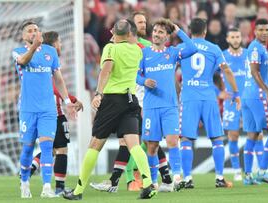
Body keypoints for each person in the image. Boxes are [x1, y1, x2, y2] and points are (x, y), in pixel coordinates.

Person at [63, 19, 156, 200]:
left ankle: (78, 191)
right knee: (134, 145)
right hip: (131, 101)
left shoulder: (110, 48)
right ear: (130, 34)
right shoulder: (137, 50)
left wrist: (98, 94)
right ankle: (148, 184)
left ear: (112, 32)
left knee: (95, 145)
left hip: (112, 101)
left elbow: (106, 70)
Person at [90, 13, 173, 193]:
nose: (143, 25)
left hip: (143, 102)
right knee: (131, 142)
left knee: (148, 141)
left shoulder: (149, 47)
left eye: (144, 21)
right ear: (130, 29)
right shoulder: (132, 47)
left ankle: (160, 179)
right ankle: (120, 181)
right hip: (131, 99)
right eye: (139, 22)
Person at [13, 21, 77, 198]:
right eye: (29, 31)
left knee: (47, 147)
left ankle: (47, 187)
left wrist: (66, 101)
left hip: (48, 110)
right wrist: (34, 47)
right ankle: (25, 183)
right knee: (27, 149)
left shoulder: (50, 52)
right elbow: (24, 61)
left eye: (36, 30)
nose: (33, 33)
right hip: (27, 109)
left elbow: (58, 78)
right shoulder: (18, 52)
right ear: (23, 36)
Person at [178, 18, 240, 189]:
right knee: (217, 138)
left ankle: (187, 178)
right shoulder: (214, 49)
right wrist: (236, 93)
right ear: (205, 32)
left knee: (185, 139)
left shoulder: (182, 48)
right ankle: (219, 177)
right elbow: (226, 70)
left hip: (189, 97)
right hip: (208, 98)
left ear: (190, 31)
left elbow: (171, 68)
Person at [136, 18, 197, 191]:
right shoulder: (144, 53)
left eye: (161, 32)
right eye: (155, 31)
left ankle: (176, 178)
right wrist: (144, 81)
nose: (156, 34)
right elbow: (135, 76)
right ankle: (154, 182)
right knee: (152, 145)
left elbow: (193, 48)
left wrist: (179, 31)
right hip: (150, 107)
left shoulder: (172, 52)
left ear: (167, 37)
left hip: (170, 106)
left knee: (172, 141)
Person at [28, 31, 84, 195]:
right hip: (55, 114)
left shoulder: (42, 61)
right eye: (59, 42)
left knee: (50, 149)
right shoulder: (48, 61)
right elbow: (54, 87)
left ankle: (30, 168)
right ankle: (59, 188)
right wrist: (72, 100)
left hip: (42, 113)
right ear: (52, 46)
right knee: (61, 150)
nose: (61, 45)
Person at [241, 18, 268, 185]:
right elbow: (255, 72)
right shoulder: (256, 48)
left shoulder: (257, 47)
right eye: (261, 30)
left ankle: (248, 176)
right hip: (258, 95)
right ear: (254, 31)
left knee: (253, 135)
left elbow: (261, 73)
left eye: (267, 29)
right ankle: (263, 171)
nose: (264, 32)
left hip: (248, 95)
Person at [221, 28, 247, 182]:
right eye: (233, 37)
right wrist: (219, 92)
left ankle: (255, 170)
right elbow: (208, 75)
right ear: (227, 39)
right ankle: (237, 170)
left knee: (256, 134)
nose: (236, 39)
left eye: (238, 36)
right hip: (231, 102)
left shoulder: (248, 54)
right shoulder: (222, 55)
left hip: (249, 100)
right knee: (233, 135)